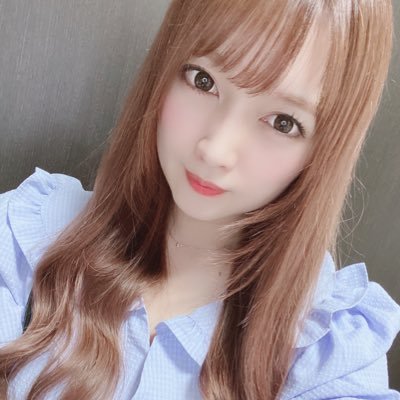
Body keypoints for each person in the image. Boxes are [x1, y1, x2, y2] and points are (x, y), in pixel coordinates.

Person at [0, 0, 399, 399]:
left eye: (283, 122)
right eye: (203, 81)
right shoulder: (29, 237)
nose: (216, 150)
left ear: (324, 152)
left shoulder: (329, 351)